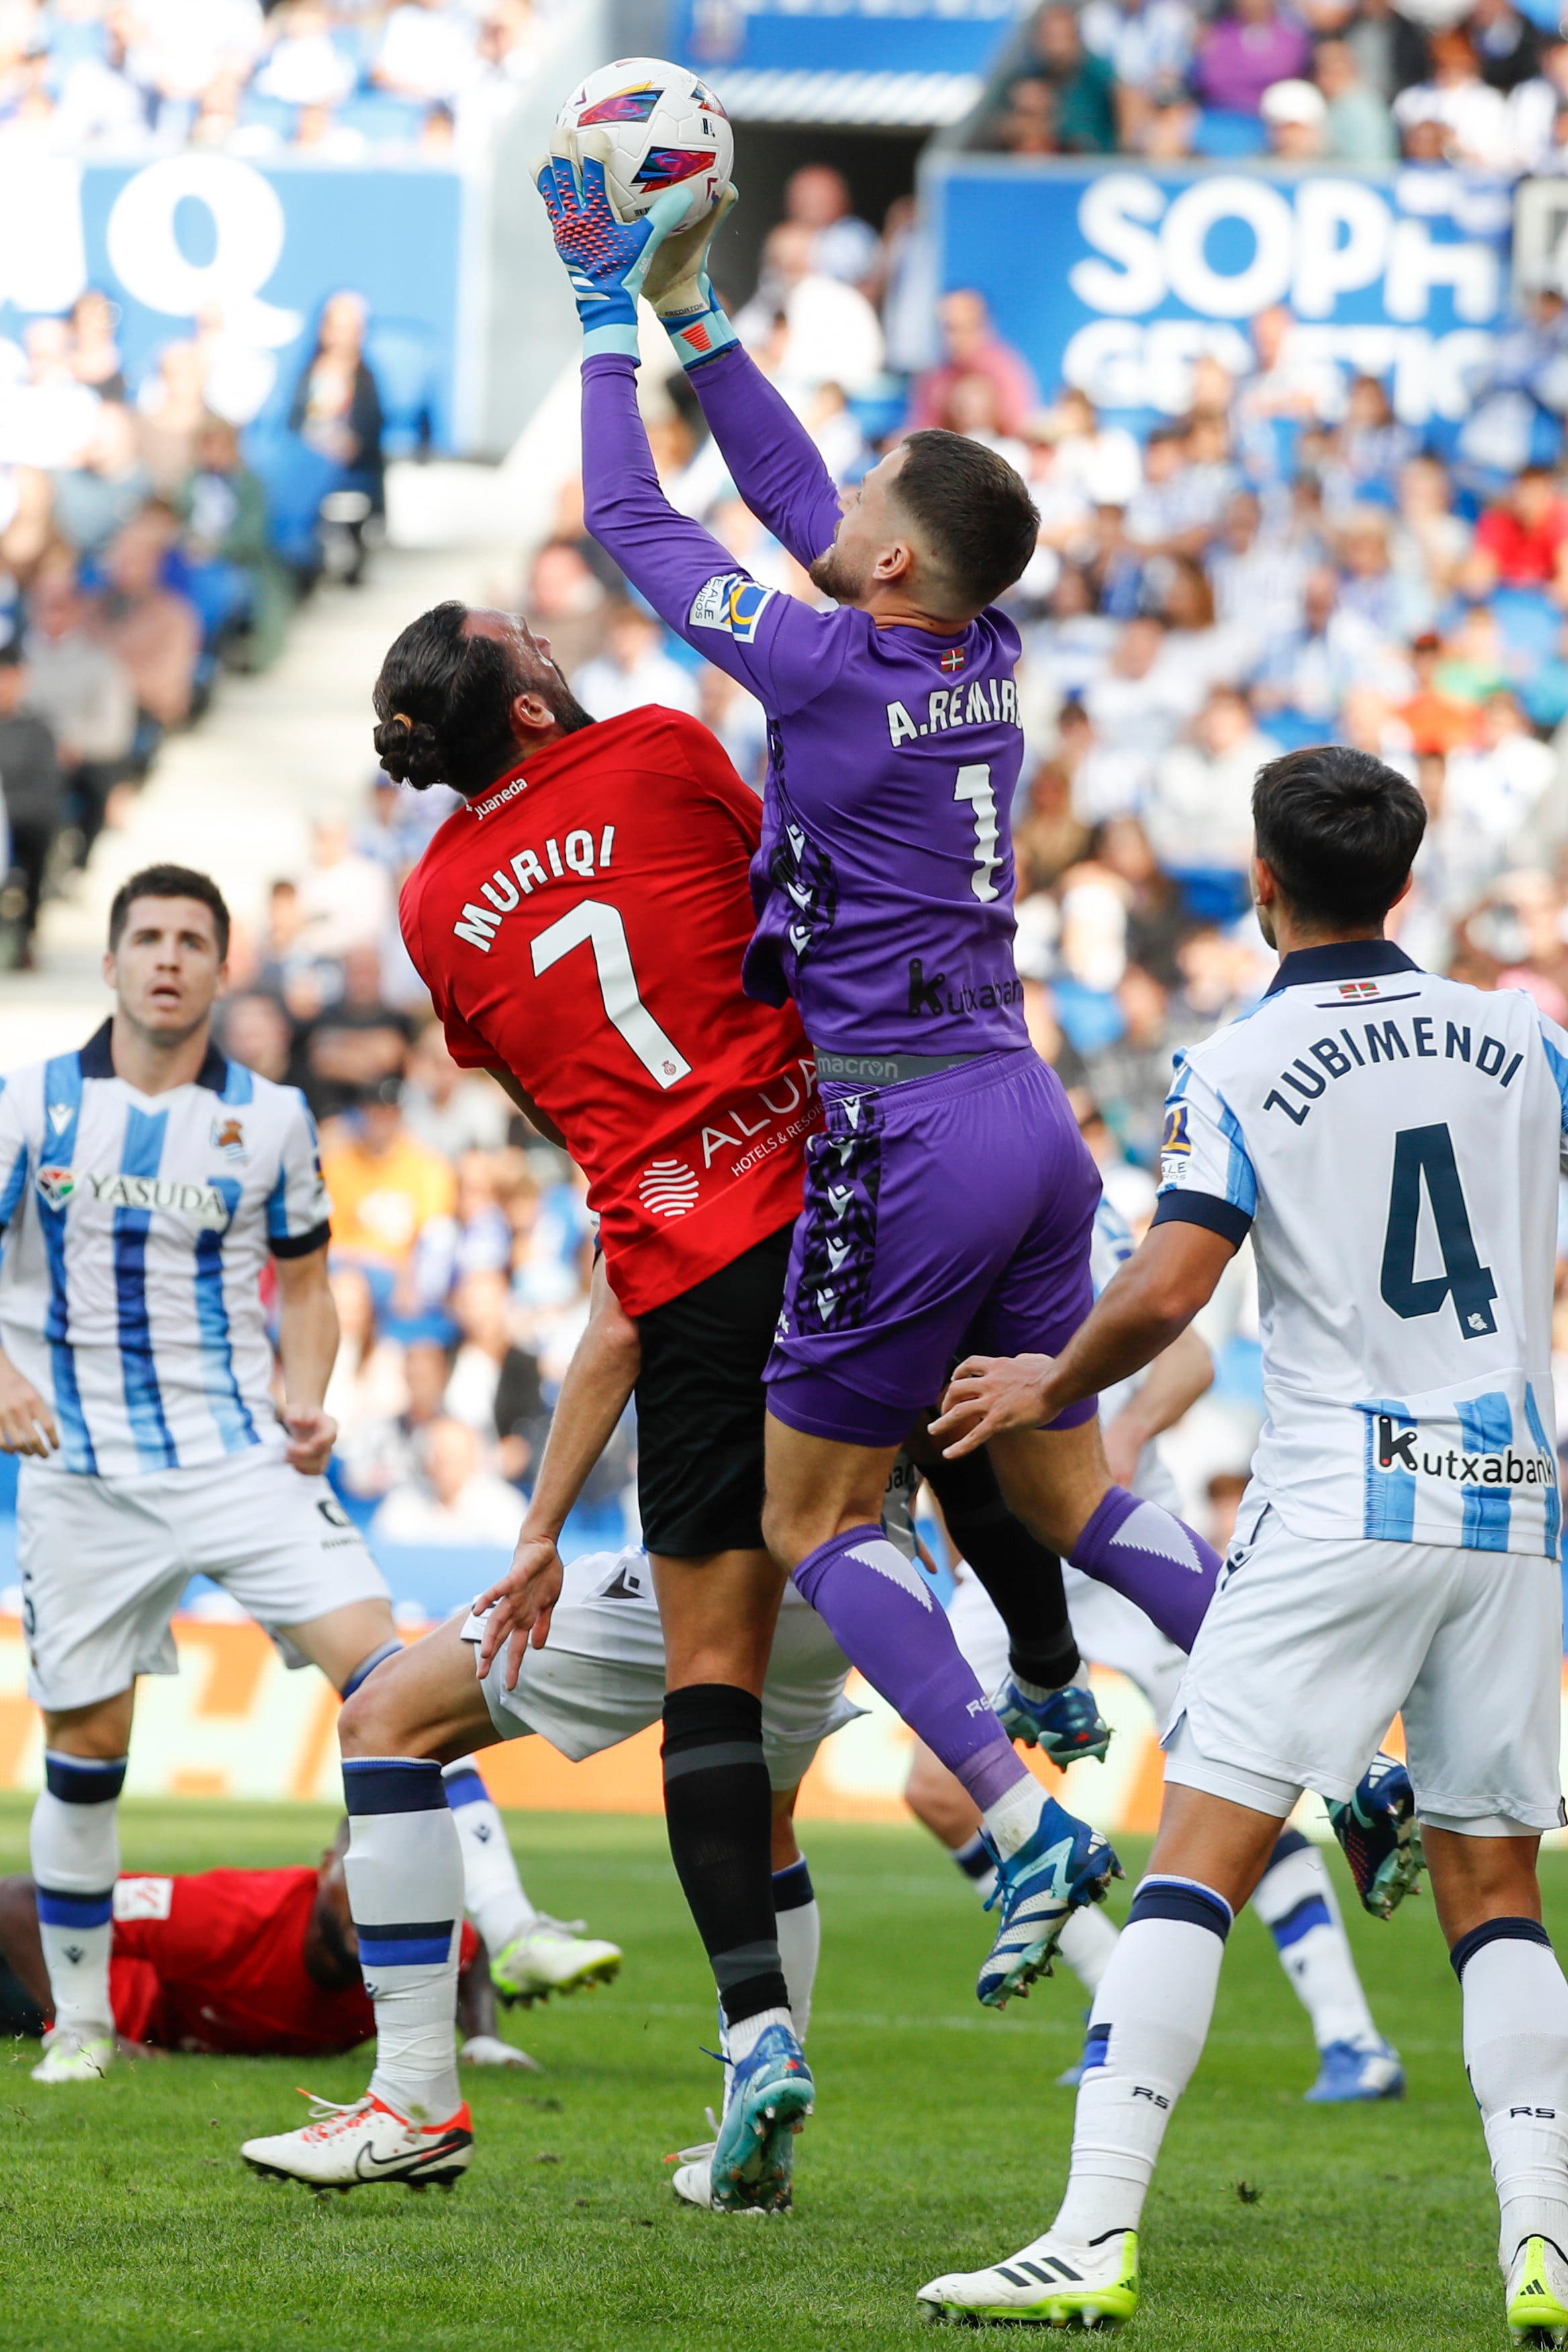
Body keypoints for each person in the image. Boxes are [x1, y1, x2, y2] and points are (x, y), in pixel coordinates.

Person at [536, 141, 1240, 2087]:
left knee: (812, 1506)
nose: (825, 513)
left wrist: (609, 322)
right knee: (1075, 1488)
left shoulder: (834, 662)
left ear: (895, 564)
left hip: (907, 1129)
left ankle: (1019, 1818)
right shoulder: (980, 654)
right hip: (1029, 1112)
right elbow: (797, 503)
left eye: (859, 511)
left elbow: (631, 513)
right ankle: (1312, 1718)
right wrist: (702, 318)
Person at [920, 747, 1568, 2339]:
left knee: (1190, 1864)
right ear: (1402, 883)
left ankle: (1087, 2234)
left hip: (1337, 1496)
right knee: (1494, 1889)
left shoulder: (1239, 1058)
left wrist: (1039, 1378)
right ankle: (1540, 2244)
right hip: (1503, 1499)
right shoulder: (1526, 1043)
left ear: (1259, 882)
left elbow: (1166, 1282)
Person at [0, 865, 399, 2085]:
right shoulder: (32, 1104)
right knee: (86, 1736)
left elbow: (310, 1284)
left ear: (223, 971)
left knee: (394, 1673)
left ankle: (495, 1953)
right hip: (79, 1463)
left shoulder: (272, 1118)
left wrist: (309, 1394)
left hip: (235, 1451)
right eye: (147, 937)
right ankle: (77, 2023)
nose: (167, 957)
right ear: (114, 962)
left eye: (190, 941)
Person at [905, 1196, 1406, 2107]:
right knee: (938, 1787)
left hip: (1125, 1533)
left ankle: (1355, 2038)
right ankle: (1111, 2011)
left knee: (1245, 1781)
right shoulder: (941, 1211)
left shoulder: (1051, 1213)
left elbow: (1187, 1353)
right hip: (1013, 1556)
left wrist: (1125, 1434)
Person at [0, 1832, 525, 2067]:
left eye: (404, 1885)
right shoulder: (225, 1914)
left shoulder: (420, 1937)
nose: (378, 1902)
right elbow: (18, 1899)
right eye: (362, 1873)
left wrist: (483, 2038)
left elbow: (471, 1953)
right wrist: (83, 2022)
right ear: (325, 1867)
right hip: (33, 1982)